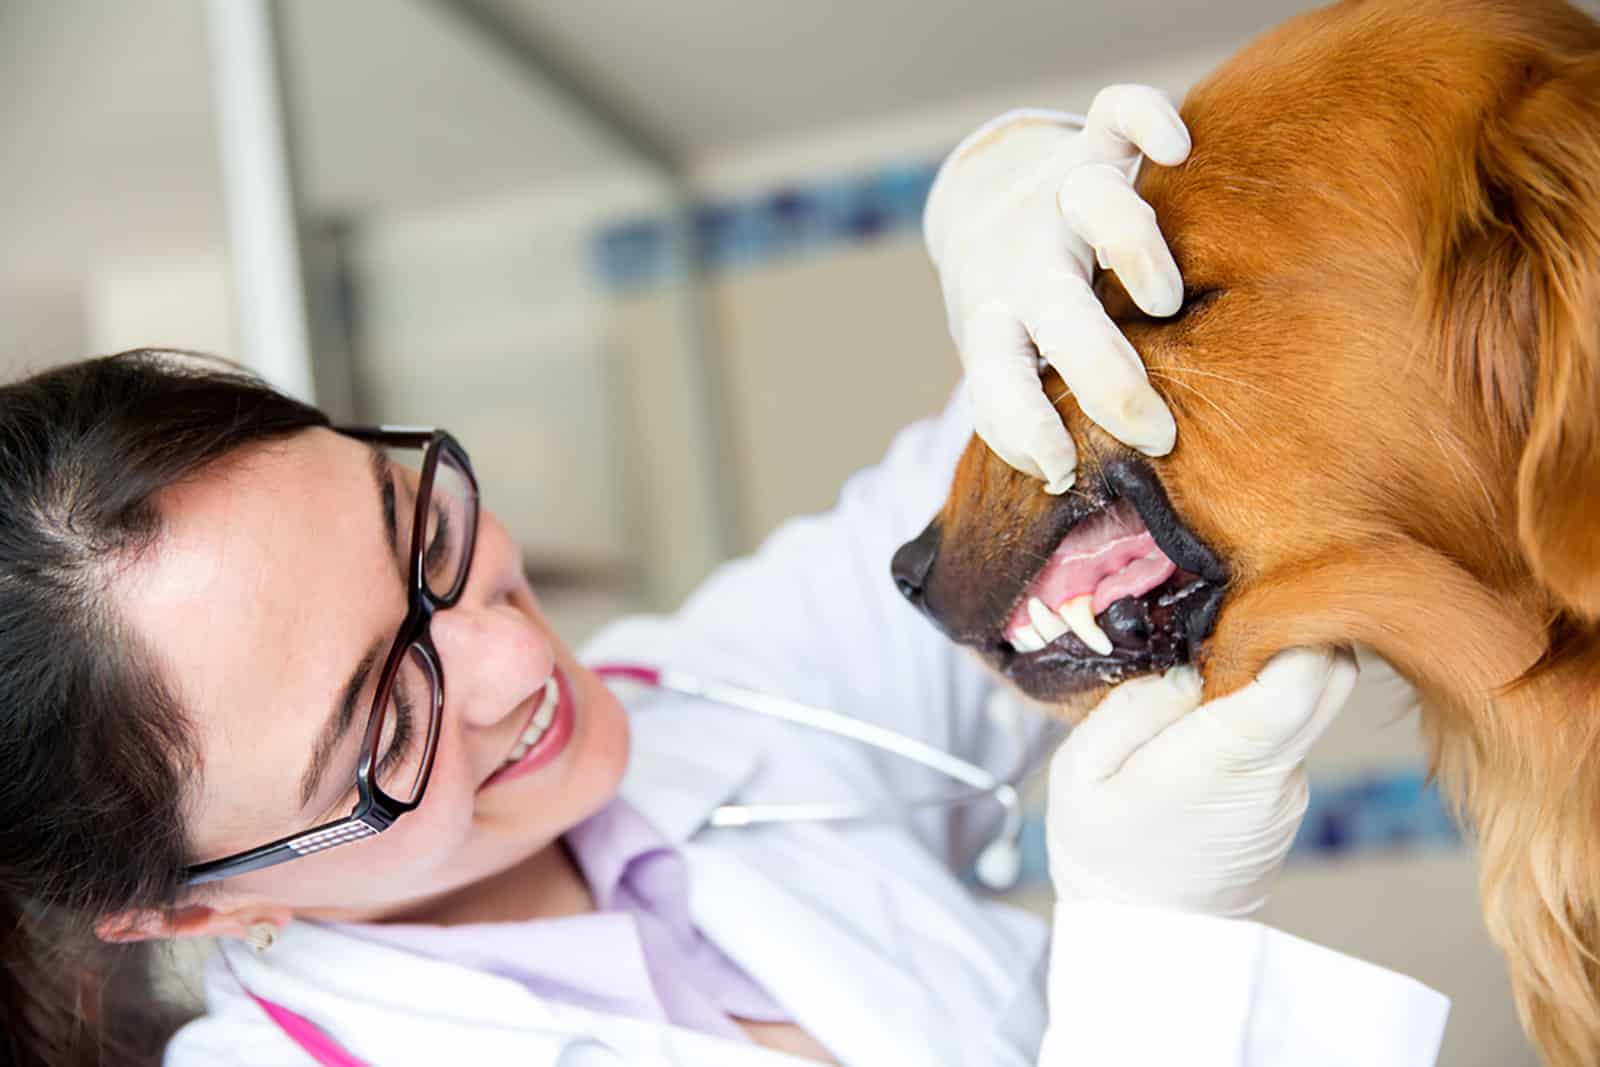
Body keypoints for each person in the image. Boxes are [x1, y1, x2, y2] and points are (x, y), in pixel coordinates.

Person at [0, 88, 1449, 1067]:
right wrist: (1163, 951)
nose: (517, 661)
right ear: (190, 910)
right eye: (385, 726)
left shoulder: (689, 706)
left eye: (417, 531)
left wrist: (1044, 236)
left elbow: (1012, 502)